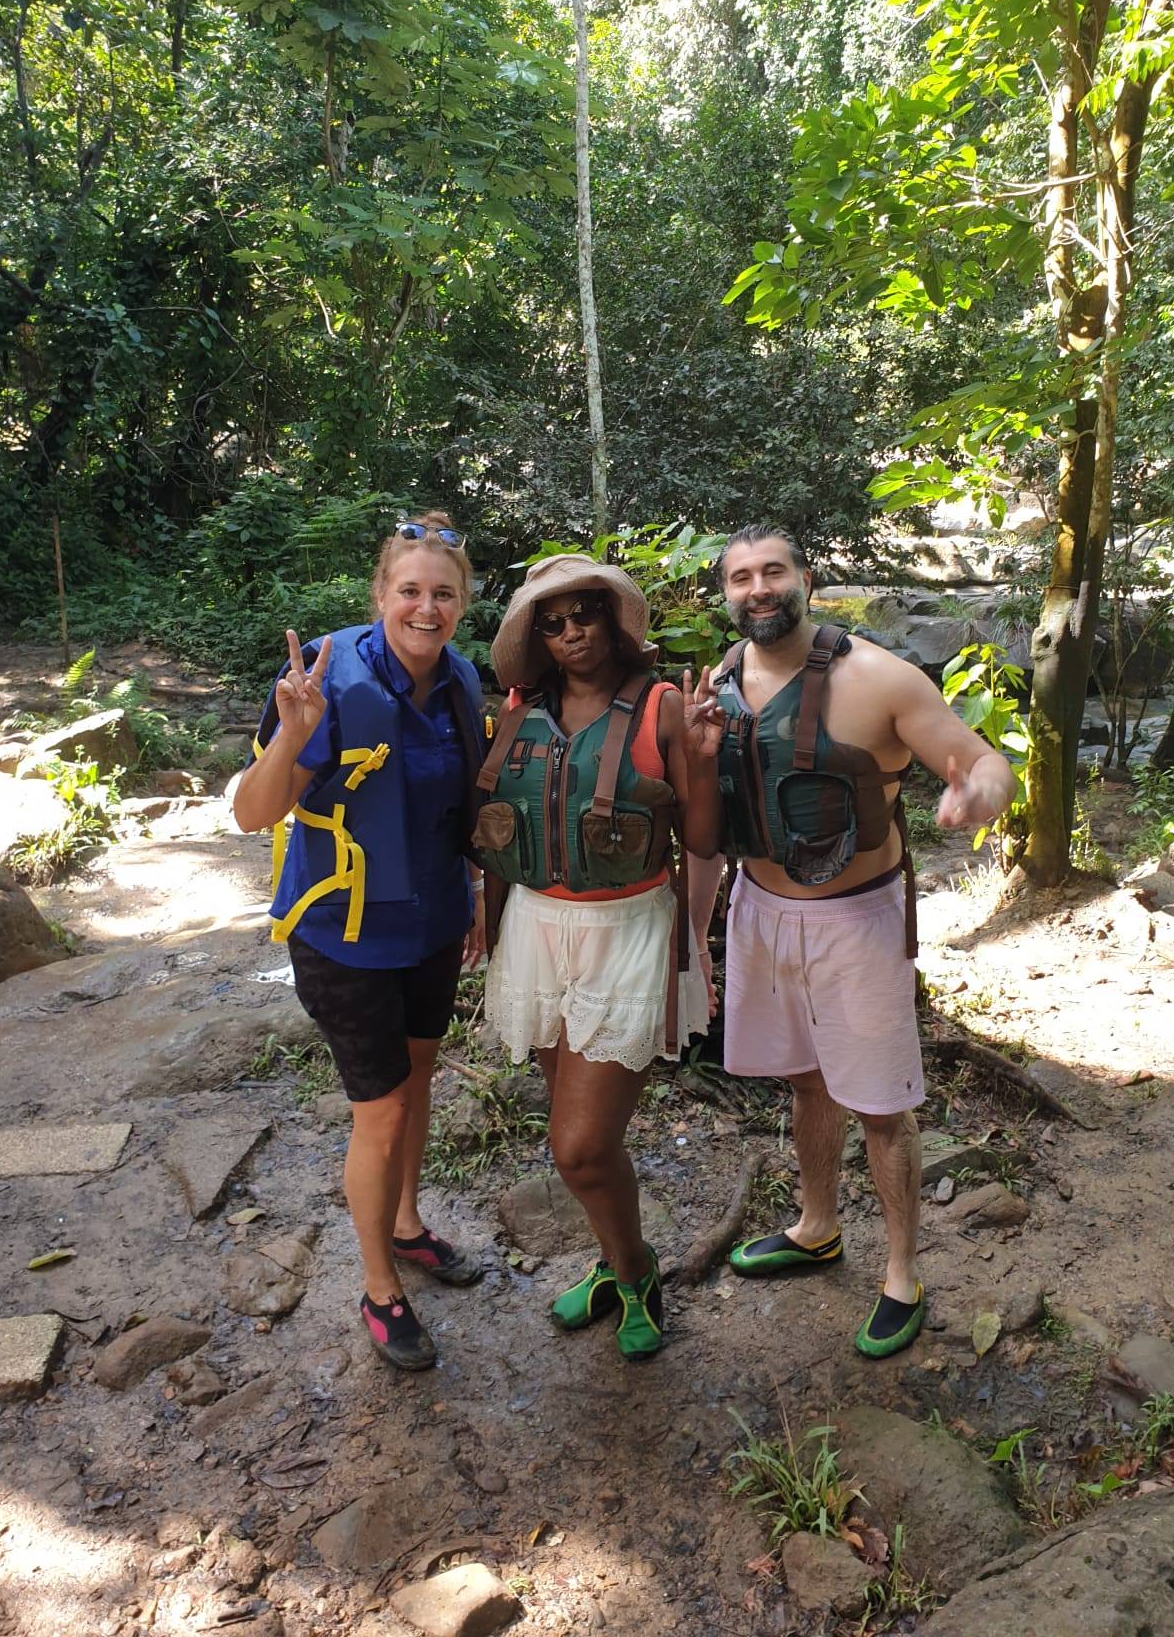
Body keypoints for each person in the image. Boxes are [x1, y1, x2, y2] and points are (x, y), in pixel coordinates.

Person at [683, 525, 1016, 1359]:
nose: (758, 589)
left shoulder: (879, 678)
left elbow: (982, 761)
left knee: (880, 1103)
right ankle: (816, 1226)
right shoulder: (723, 680)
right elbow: (710, 819)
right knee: (806, 1081)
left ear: (807, 580)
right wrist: (694, 932)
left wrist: (979, 795)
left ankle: (902, 1274)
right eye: (740, 578)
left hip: (857, 921)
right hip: (759, 909)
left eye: (773, 572)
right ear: (725, 594)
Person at [232, 513, 489, 1372]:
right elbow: (253, 813)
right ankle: (380, 1289)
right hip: (342, 934)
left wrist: (474, 892)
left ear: (462, 604)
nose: (426, 608)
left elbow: (457, 806)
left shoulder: (459, 679)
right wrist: (293, 733)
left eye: (442, 594)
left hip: (432, 920)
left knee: (419, 1079)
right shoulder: (329, 677)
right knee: (380, 1112)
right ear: (381, 594)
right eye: (409, 591)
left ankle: (408, 1225)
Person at [476, 555, 717, 1360]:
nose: (572, 631)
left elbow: (702, 839)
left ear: (613, 620)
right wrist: (486, 929)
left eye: (586, 613)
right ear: (536, 637)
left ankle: (638, 1271)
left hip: (626, 931)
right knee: (583, 1138)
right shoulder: (520, 712)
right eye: (553, 622)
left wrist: (703, 757)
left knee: (578, 1146)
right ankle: (617, 1266)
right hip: (536, 930)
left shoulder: (661, 706)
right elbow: (498, 830)